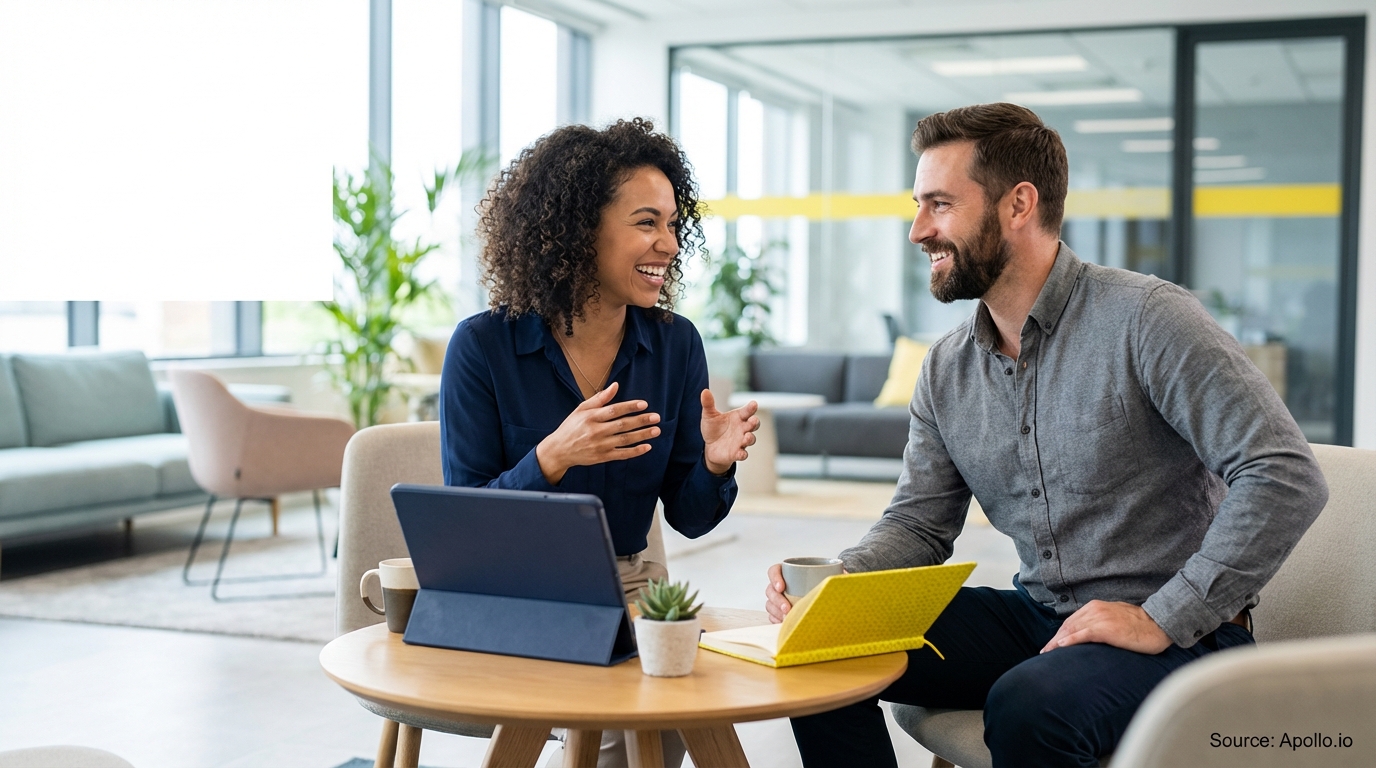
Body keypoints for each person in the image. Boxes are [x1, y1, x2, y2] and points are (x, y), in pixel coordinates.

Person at [766, 103, 1329, 767]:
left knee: (1030, 703)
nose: (918, 230)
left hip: (1182, 635)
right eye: (918, 205)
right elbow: (919, 526)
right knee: (821, 644)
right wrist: (836, 582)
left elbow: (1284, 471)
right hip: (1044, 615)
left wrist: (1160, 616)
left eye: (940, 204)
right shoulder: (947, 367)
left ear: (1017, 205)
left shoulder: (1148, 320)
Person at [440, 117, 760, 768]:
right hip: (517, 591)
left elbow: (691, 516)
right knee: (618, 725)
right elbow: (467, 526)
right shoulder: (483, 347)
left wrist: (715, 465)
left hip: (635, 582)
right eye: (647, 222)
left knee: (671, 720)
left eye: (674, 223)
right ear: (580, 229)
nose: (668, 244)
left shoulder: (675, 344)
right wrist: (553, 456)